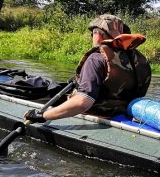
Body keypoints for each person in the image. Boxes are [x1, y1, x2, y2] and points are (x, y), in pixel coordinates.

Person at [24, 14, 152, 122]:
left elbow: (82, 103)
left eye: (92, 34)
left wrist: (43, 116)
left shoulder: (97, 58)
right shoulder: (140, 60)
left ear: (98, 35)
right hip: (126, 113)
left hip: (98, 115)